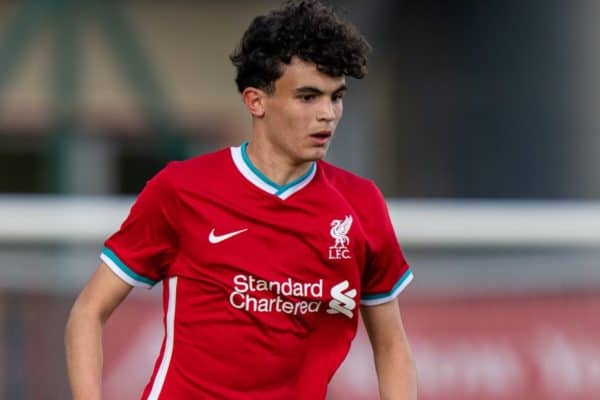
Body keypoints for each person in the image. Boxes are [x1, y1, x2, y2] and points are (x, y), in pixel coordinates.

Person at [65, 1, 417, 399]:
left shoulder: (361, 204)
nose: (328, 114)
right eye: (307, 97)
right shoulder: (182, 189)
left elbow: (391, 347)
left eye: (336, 97)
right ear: (256, 101)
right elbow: (87, 313)